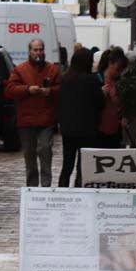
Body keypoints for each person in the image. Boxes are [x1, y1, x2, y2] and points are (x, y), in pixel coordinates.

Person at [4, 38, 61, 186]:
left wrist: (50, 91)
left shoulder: (52, 70)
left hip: (46, 118)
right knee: (29, 155)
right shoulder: (20, 70)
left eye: (41, 49)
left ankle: (46, 186)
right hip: (26, 120)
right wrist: (27, 89)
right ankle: (32, 188)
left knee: (45, 149)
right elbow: (10, 90)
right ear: (29, 51)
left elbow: (62, 90)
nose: (38, 53)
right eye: (35, 50)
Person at [57, 47, 105, 187]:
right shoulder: (92, 80)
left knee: (67, 165)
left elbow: (60, 102)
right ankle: (79, 191)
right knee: (82, 166)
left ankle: (62, 190)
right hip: (87, 129)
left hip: (69, 129)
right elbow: (100, 102)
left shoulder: (65, 79)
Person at [98, 50, 129, 148]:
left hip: (115, 127)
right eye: (117, 69)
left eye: (121, 70)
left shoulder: (119, 81)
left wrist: (124, 115)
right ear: (110, 63)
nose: (118, 72)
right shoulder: (98, 78)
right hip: (99, 127)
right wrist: (100, 94)